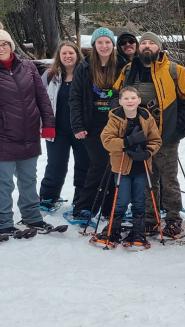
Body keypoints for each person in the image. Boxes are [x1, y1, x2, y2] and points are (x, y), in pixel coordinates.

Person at [115, 31, 185, 238]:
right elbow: (117, 97)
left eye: (151, 43)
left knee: (168, 178)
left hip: (166, 136)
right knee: (147, 177)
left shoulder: (175, 70)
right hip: (138, 136)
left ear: (159, 47)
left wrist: (176, 129)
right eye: (143, 42)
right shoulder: (128, 70)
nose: (146, 46)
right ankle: (150, 219)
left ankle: (173, 219)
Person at [0, 29, 55, 235]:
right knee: (3, 183)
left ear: (11, 46)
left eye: (4, 43)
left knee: (29, 179)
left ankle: (32, 217)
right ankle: (3, 222)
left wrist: (48, 124)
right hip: (4, 136)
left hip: (29, 134)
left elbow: (42, 98)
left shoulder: (28, 67)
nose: (1, 48)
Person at [98, 86, 162, 248]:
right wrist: (126, 142)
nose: (130, 101)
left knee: (140, 201)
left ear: (139, 100)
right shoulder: (115, 117)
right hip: (122, 167)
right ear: (120, 101)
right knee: (122, 200)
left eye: (133, 98)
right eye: (126, 98)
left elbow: (156, 140)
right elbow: (106, 140)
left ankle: (138, 231)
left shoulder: (146, 117)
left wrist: (147, 152)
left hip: (141, 166)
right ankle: (113, 230)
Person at [69, 27, 119, 223]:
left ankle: (109, 207)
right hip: (91, 125)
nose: (104, 46)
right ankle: (85, 207)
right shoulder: (84, 67)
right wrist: (77, 125)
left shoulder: (122, 65)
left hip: (115, 125)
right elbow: (75, 97)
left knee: (113, 166)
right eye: (100, 42)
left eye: (107, 42)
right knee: (98, 165)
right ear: (94, 45)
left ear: (112, 45)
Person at [39, 41, 88, 213]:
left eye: (71, 53)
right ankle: (48, 197)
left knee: (84, 164)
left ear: (77, 55)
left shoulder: (86, 74)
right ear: (59, 56)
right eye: (64, 53)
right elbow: (40, 100)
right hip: (57, 129)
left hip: (81, 129)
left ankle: (81, 201)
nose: (68, 56)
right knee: (55, 164)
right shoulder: (50, 75)